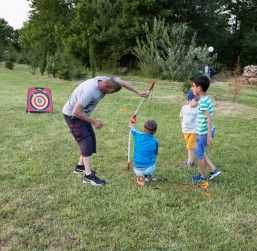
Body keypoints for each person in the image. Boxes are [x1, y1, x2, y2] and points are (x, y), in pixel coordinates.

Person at [63, 76, 149, 186]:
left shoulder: (106, 80)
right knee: (86, 141)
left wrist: (138, 92)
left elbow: (122, 83)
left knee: (91, 140)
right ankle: (88, 177)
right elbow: (76, 112)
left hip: (82, 115)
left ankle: (80, 167)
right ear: (111, 90)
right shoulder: (91, 91)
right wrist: (94, 121)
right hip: (73, 116)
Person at [191, 76, 222, 182]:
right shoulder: (205, 99)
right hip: (203, 132)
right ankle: (214, 170)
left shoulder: (203, 102)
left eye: (194, 86)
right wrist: (195, 101)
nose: (192, 88)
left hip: (204, 133)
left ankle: (201, 176)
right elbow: (200, 103)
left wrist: (209, 135)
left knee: (199, 154)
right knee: (200, 151)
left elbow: (209, 119)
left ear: (199, 88)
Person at [129, 120, 159, 186]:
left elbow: (132, 129)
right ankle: (147, 175)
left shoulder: (138, 135)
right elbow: (155, 153)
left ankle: (141, 177)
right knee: (153, 159)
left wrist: (131, 124)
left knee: (141, 168)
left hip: (137, 169)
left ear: (143, 129)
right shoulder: (155, 141)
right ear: (155, 131)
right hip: (149, 169)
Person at [179, 90, 198, 167]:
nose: (197, 102)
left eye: (198, 100)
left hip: (194, 131)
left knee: (190, 146)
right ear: (189, 100)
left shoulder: (198, 109)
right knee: (188, 146)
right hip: (185, 130)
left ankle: (190, 162)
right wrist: (182, 126)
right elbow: (181, 117)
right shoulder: (184, 108)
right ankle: (189, 159)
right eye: (196, 100)